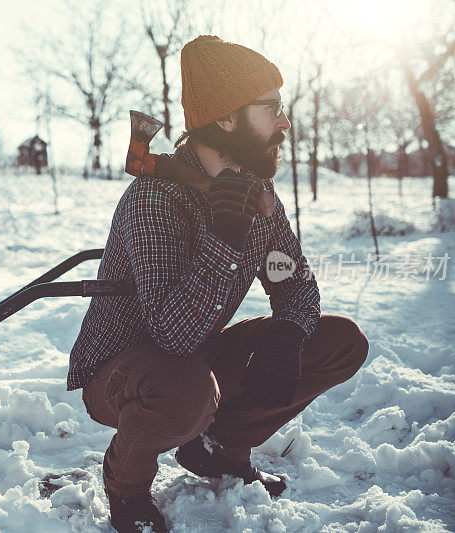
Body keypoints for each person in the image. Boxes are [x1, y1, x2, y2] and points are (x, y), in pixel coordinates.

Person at [67, 35, 369, 533]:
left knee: (338, 343)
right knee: (183, 387)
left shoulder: (255, 192)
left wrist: (287, 336)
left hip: (196, 356)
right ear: (227, 118)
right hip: (123, 374)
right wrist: (225, 238)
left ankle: (217, 448)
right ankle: (126, 485)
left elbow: (294, 284)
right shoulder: (155, 198)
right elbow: (171, 337)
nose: (284, 120)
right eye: (271, 107)